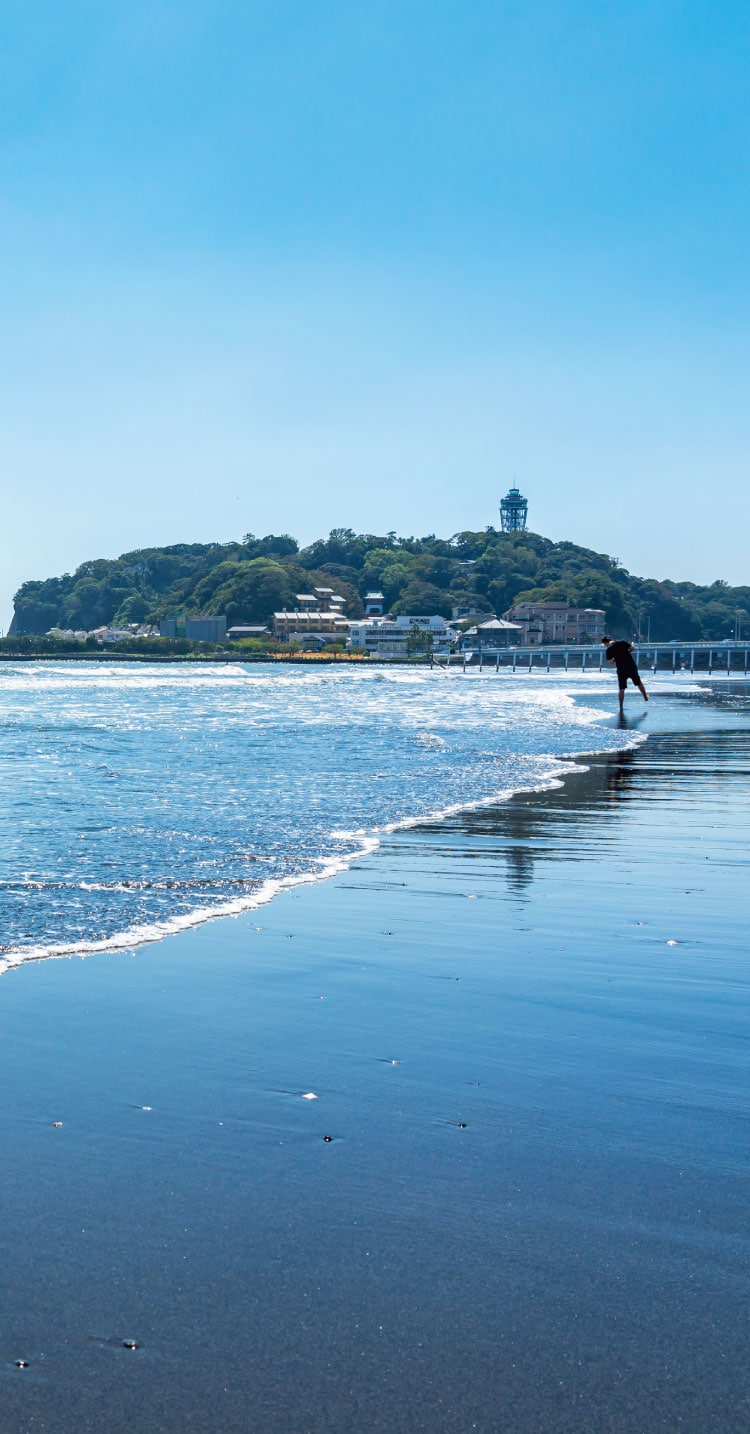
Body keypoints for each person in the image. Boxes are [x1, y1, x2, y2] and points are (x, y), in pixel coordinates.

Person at [601, 635, 648, 714]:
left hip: (621, 669)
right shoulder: (622, 642)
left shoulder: (609, 650)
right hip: (631, 666)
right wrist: (628, 650)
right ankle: (645, 696)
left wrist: (615, 658)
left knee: (621, 689)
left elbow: (611, 662)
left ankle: (621, 706)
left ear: (605, 643)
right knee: (638, 683)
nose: (605, 646)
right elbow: (632, 648)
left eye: (604, 644)